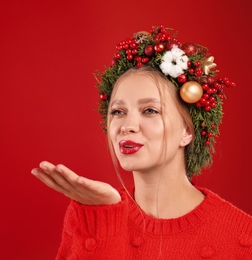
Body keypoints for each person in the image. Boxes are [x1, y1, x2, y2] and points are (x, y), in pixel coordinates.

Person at [31, 25, 252, 259]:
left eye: (149, 110)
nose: (127, 125)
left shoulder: (242, 237)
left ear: (187, 131)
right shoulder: (90, 211)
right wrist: (102, 217)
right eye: (117, 111)